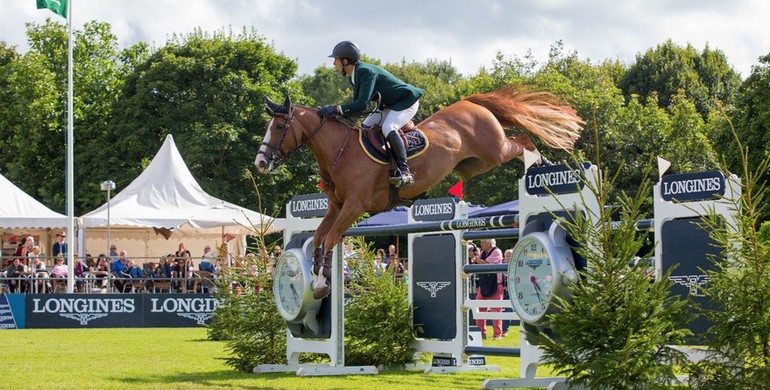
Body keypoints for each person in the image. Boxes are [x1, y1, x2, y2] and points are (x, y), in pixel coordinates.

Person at [319, 41, 424, 186]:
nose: (333, 64)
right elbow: (357, 108)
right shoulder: (354, 76)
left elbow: (362, 104)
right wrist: (336, 115)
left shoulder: (365, 72)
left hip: (406, 102)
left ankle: (405, 172)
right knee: (365, 128)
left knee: (389, 128)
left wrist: (336, 109)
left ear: (345, 61)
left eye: (335, 60)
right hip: (387, 105)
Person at [475, 239, 504, 340]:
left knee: (496, 310)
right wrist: (475, 255)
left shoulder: (497, 251)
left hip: (496, 284)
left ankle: (497, 334)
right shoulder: (482, 253)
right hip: (484, 284)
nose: (481, 244)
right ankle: (481, 333)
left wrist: (473, 256)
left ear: (488, 243)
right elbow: (476, 263)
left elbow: (484, 263)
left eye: (483, 242)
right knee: (479, 309)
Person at [501, 248, 514, 337]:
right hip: (500, 290)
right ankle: (497, 331)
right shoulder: (498, 266)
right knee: (496, 310)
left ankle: (505, 330)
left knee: (508, 310)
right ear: (504, 257)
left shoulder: (517, 266)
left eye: (510, 256)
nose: (509, 258)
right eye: (507, 256)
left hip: (510, 291)